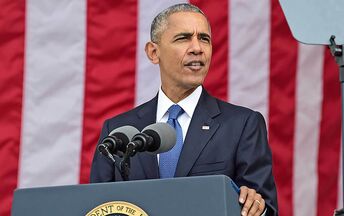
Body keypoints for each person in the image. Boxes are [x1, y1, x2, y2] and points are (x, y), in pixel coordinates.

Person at [90, 3, 278, 216]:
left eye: (204, 39)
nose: (197, 48)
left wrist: (257, 209)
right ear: (153, 52)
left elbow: (266, 208)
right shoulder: (118, 131)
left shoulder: (242, 125)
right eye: (183, 38)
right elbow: (97, 207)